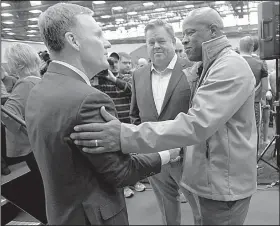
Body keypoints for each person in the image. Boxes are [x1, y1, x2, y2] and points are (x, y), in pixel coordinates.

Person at [71, 7, 257, 225]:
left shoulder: (227, 67)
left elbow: (197, 123)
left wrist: (126, 135)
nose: (185, 40)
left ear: (213, 31)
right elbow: (137, 113)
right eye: (183, 34)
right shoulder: (205, 67)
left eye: (191, 33)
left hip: (219, 179)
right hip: (204, 173)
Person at [25, 3, 180, 225]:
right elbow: (121, 172)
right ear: (74, 41)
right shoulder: (88, 99)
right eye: (98, 35)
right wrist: (168, 153)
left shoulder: (39, 89)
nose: (107, 43)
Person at [129, 19, 191, 224]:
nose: (156, 46)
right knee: (166, 206)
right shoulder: (138, 75)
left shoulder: (192, 70)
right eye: (151, 42)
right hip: (155, 157)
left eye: (161, 41)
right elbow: (135, 115)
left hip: (189, 157)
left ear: (173, 42)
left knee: (200, 207)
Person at [1, 43, 46, 223]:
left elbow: (8, 115)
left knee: (39, 191)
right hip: (40, 145)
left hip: (28, 150)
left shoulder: (24, 84)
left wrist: (23, 131)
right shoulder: (41, 81)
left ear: (17, 65)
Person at [92, 52, 146, 198]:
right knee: (119, 157)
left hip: (127, 123)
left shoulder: (126, 78)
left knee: (132, 155)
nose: (114, 65)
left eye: (116, 62)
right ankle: (125, 185)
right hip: (113, 125)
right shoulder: (98, 82)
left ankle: (135, 180)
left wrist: (114, 79)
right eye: (111, 62)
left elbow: (132, 90)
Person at [239, 36, 269, 149]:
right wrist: (262, 99)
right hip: (254, 103)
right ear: (252, 48)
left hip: (234, 104)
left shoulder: (230, 62)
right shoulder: (260, 63)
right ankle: (253, 163)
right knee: (253, 132)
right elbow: (265, 87)